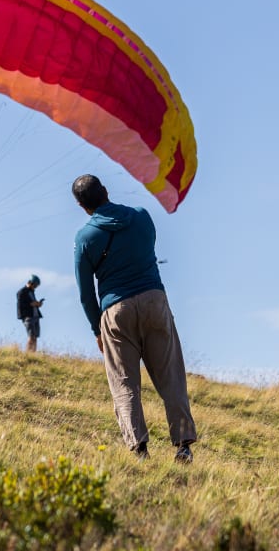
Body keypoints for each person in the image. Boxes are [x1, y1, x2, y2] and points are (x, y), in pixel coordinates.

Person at [71, 174, 197, 463]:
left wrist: (97, 330)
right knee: (171, 376)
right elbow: (147, 249)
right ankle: (183, 446)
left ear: (81, 206)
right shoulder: (142, 217)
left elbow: (85, 292)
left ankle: (140, 450)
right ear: (105, 190)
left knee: (124, 382)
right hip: (154, 300)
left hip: (116, 311)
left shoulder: (85, 238)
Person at [17, 275, 44, 352]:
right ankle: (28, 353)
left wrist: (38, 304)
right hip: (28, 317)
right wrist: (33, 304)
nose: (35, 287)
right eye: (35, 285)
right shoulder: (21, 292)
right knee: (31, 336)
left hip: (35, 316)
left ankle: (33, 354)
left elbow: (33, 304)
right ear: (30, 283)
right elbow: (21, 305)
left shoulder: (31, 292)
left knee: (35, 337)